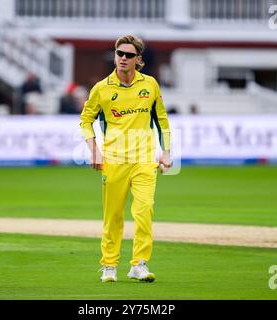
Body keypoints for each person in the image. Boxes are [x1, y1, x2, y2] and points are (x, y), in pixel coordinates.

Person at [80, 35, 171, 283]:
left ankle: (139, 264)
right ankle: (109, 266)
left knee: (144, 211)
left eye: (129, 55)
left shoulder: (150, 85)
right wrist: (94, 149)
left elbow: (162, 120)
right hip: (114, 159)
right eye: (119, 53)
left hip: (144, 159)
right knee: (114, 216)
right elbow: (85, 120)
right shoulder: (102, 88)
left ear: (138, 59)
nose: (123, 58)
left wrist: (166, 151)